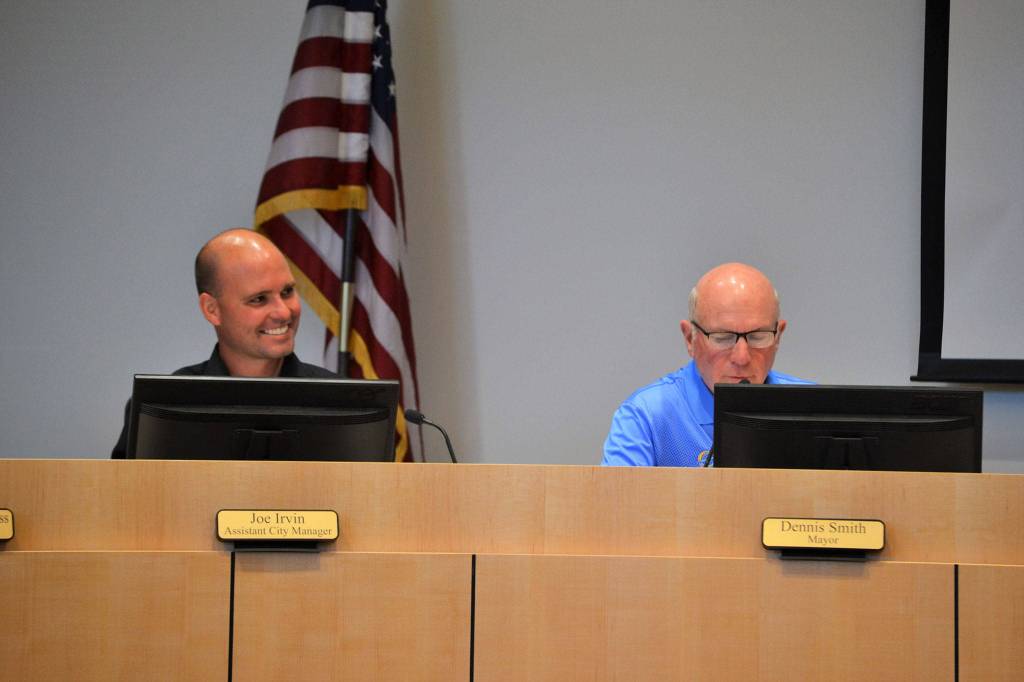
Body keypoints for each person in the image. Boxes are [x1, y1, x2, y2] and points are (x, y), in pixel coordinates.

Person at [111, 228, 335, 458]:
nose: (283, 312)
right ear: (212, 309)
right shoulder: (162, 406)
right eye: (259, 299)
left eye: (287, 292)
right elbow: (123, 493)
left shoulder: (340, 402)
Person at [602, 262, 811, 467]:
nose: (742, 357)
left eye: (758, 337)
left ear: (778, 337)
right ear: (689, 338)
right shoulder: (646, 416)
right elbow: (618, 500)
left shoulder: (810, 408)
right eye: (723, 338)